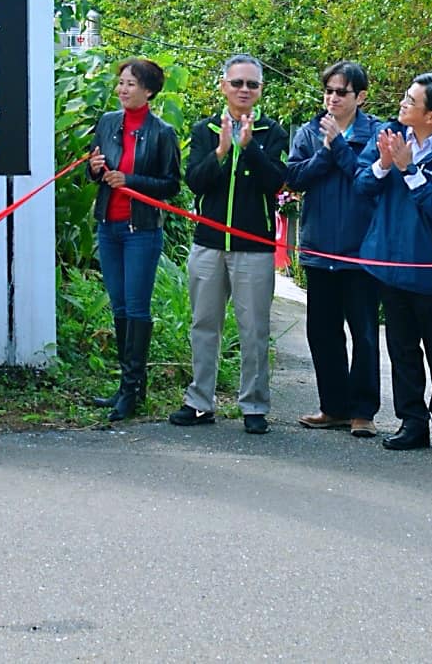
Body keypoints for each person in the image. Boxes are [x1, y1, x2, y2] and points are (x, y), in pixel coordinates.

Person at [354, 72, 432, 453]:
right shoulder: (392, 134)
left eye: (412, 101)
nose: (403, 105)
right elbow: (362, 186)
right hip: (390, 262)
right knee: (402, 349)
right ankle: (412, 421)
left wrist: (410, 170)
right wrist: (383, 164)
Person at [170, 55, 288, 434]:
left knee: (253, 327)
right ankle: (199, 401)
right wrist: (221, 151)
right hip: (208, 244)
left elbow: (275, 183)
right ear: (223, 85)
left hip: (253, 247)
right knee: (204, 323)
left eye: (251, 85)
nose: (243, 90)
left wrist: (249, 147)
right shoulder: (204, 129)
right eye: (237, 83)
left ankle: (254, 405)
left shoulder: (273, 132)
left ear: (260, 91)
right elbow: (195, 182)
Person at [284, 59, 385, 437]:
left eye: (341, 92)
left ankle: (363, 411)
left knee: (364, 333)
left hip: (361, 251)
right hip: (319, 246)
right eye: (328, 91)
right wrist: (326, 151)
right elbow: (294, 177)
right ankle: (333, 407)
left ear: (360, 96)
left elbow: (367, 178)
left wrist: (339, 146)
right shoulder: (310, 132)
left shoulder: (377, 132)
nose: (332, 98)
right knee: (322, 332)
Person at [83, 57, 181, 423]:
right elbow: (94, 167)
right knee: (119, 306)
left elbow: (171, 184)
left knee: (137, 307)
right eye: (121, 82)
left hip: (141, 229)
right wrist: (94, 169)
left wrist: (131, 180)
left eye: (131, 84)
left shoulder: (162, 132)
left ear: (149, 91)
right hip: (109, 225)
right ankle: (128, 387)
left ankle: (132, 390)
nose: (123, 89)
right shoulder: (108, 123)